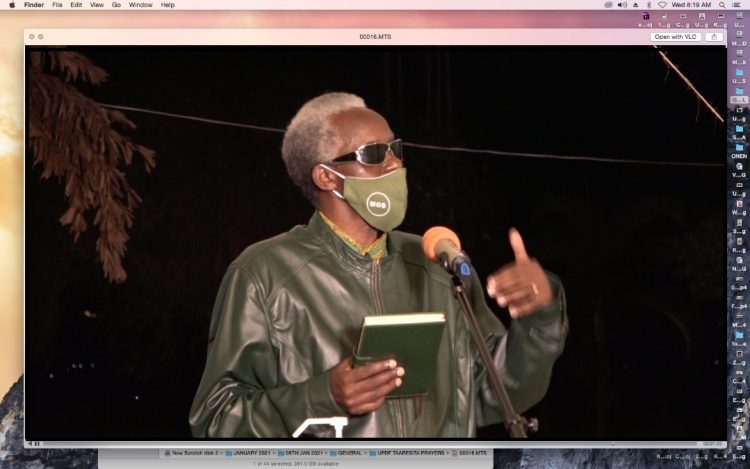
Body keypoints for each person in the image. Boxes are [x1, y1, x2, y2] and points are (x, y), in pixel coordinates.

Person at [189, 92, 568, 438]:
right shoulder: (263, 274)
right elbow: (215, 420)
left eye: (395, 149)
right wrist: (321, 397)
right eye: (374, 154)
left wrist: (541, 316)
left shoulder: (437, 264)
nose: (395, 163)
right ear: (326, 176)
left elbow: (496, 390)